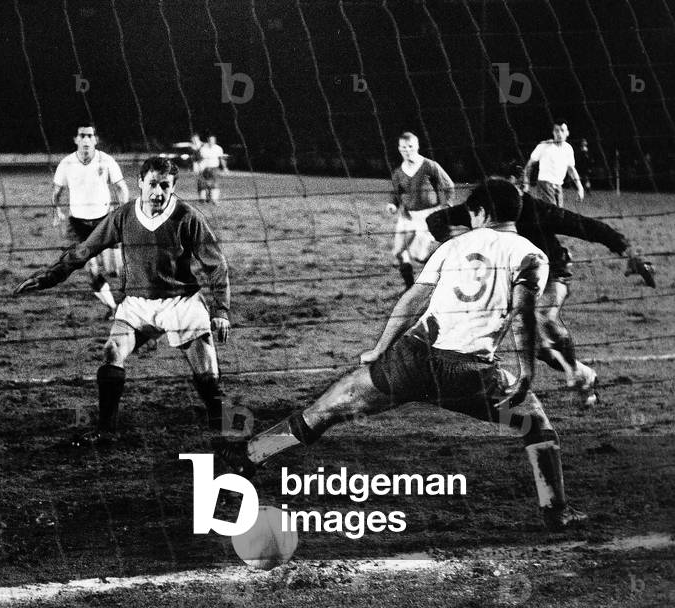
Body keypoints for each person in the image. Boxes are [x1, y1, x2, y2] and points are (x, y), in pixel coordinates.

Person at [220, 178, 587, 532]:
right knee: (535, 423)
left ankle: (251, 455)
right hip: (470, 376)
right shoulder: (531, 254)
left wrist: (380, 349)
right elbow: (523, 316)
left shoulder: (451, 246)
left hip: (411, 359)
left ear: (478, 212)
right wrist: (525, 374)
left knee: (326, 410)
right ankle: (556, 511)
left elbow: (411, 300)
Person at [17, 157, 232, 445]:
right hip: (137, 304)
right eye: (152, 184)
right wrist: (49, 276)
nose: (157, 192)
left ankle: (223, 429)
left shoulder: (187, 217)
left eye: (164, 186)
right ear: (140, 183)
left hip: (181, 303)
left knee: (208, 380)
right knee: (111, 352)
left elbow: (216, 265)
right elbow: (85, 249)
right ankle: (105, 431)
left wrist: (221, 310)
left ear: (173, 187)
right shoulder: (124, 216)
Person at [427, 165, 655, 407]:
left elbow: (586, 226)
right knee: (537, 347)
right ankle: (582, 374)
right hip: (517, 278)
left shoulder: (537, 210)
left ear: (517, 186)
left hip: (554, 270)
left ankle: (573, 373)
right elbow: (436, 220)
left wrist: (629, 252)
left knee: (544, 317)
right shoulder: (484, 206)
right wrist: (455, 239)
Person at [52, 123, 129, 318]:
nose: (86, 140)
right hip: (79, 225)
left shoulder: (107, 160)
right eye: (82, 136)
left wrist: (124, 212)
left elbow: (121, 188)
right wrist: (57, 211)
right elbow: (57, 191)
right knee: (92, 271)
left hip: (105, 221)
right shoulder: (66, 163)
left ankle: (130, 303)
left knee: (115, 270)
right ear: (76, 139)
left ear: (95, 139)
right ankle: (114, 308)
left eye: (90, 136)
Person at [388, 132, 455, 288]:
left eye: (410, 146)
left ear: (417, 146)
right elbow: (396, 192)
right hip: (408, 217)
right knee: (398, 251)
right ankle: (410, 287)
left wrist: (447, 205)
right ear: (399, 149)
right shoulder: (398, 172)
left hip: (428, 216)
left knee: (421, 256)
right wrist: (393, 204)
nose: (407, 150)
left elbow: (449, 185)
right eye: (403, 147)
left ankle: (438, 281)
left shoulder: (430, 166)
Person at [523, 119, 584, 207]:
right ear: (553, 132)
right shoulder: (544, 146)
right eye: (556, 130)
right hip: (544, 185)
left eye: (562, 130)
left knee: (558, 215)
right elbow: (529, 165)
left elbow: (571, 169)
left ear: (567, 133)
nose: (559, 133)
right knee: (552, 214)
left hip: (558, 186)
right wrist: (526, 183)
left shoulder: (568, 149)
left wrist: (580, 187)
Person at [196, 134, 228, 205]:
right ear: (208, 140)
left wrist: (225, 168)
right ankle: (202, 200)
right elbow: (199, 158)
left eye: (213, 140)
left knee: (214, 185)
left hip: (214, 168)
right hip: (204, 169)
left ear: (215, 141)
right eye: (210, 140)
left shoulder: (218, 148)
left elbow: (221, 159)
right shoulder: (203, 148)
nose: (211, 142)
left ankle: (214, 200)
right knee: (202, 184)